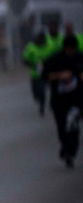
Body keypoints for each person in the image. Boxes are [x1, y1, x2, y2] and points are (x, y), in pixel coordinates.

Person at [41, 36, 83, 168]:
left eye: (73, 50)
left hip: (76, 100)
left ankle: (70, 153)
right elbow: (44, 75)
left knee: (73, 126)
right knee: (61, 127)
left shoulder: (80, 58)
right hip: (59, 100)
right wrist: (60, 75)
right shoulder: (55, 59)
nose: (71, 52)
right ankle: (65, 148)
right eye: (69, 49)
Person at [23, 31, 50, 117]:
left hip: (45, 74)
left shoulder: (48, 46)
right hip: (35, 74)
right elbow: (25, 60)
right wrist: (32, 64)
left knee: (42, 92)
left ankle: (42, 107)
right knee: (36, 92)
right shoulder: (31, 47)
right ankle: (38, 98)